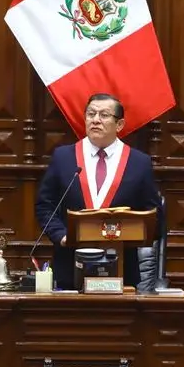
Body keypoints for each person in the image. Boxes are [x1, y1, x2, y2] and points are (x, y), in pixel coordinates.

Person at [35, 93, 163, 289]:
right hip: (70, 268)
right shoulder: (64, 158)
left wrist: (132, 235)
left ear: (119, 125)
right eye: (91, 114)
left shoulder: (139, 162)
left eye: (104, 115)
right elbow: (45, 206)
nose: (95, 120)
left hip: (122, 272)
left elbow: (155, 218)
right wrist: (61, 235)